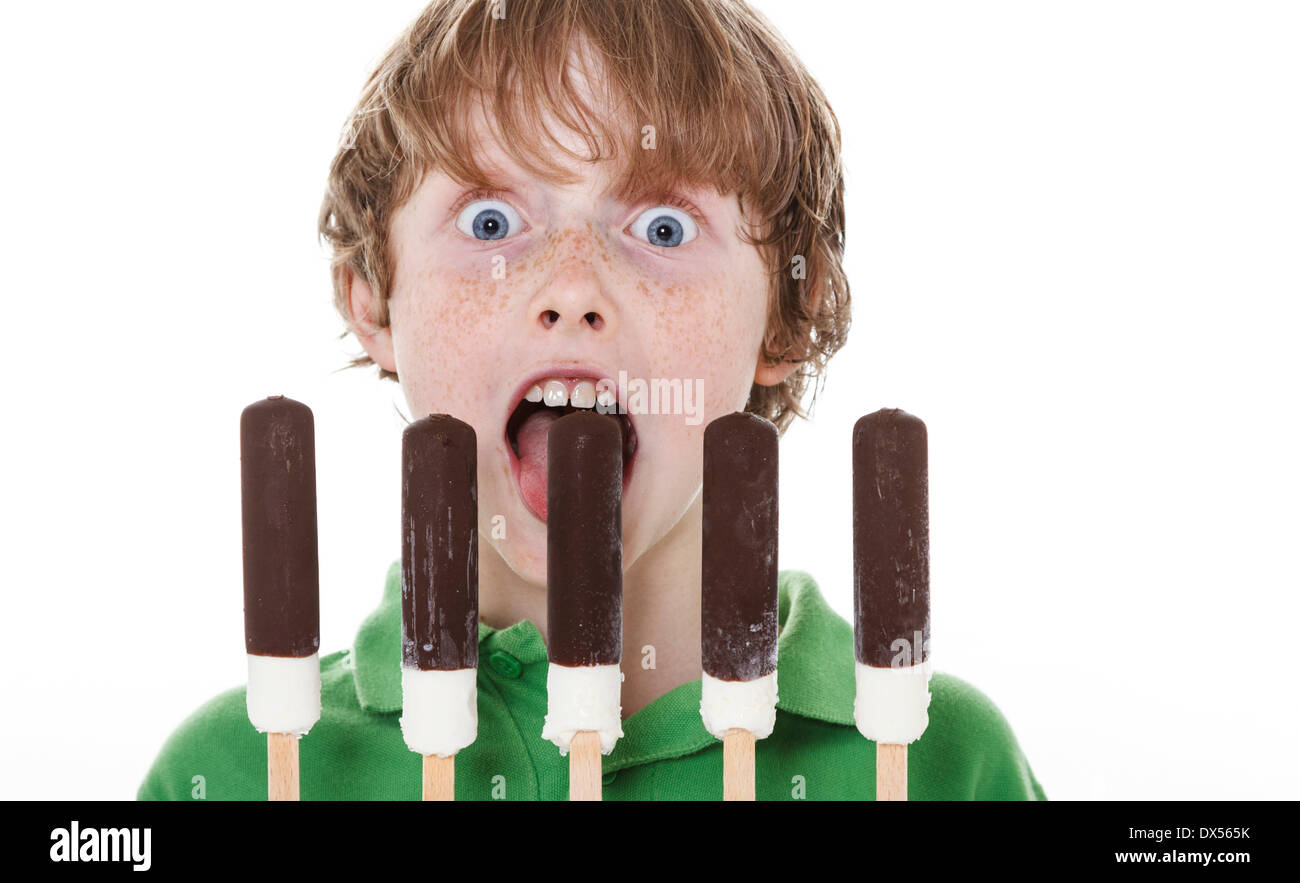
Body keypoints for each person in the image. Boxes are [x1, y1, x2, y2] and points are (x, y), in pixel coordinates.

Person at [139, 0, 1044, 801]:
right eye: (490, 221)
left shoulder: (940, 762)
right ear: (373, 298)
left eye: (662, 227)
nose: (571, 287)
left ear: (788, 316)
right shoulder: (233, 773)